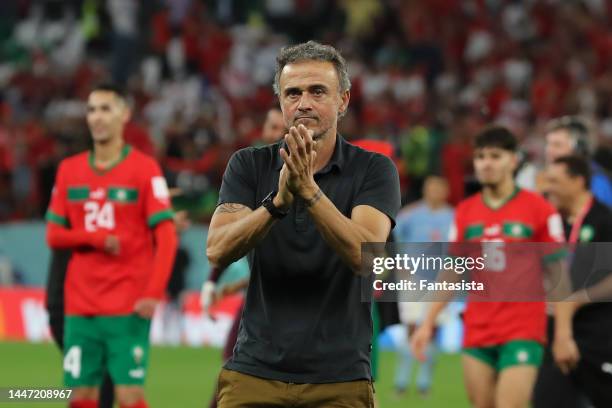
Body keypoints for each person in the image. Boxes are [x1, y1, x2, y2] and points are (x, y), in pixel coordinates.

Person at [206, 41, 401, 407]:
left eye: (317, 91)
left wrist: (309, 193)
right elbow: (217, 248)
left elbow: (369, 259)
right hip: (254, 372)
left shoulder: (373, 170)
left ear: (343, 100)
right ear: (281, 102)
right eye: (292, 93)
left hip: (340, 379)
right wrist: (276, 203)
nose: (304, 103)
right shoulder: (249, 165)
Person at [411, 126, 569, 408]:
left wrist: (563, 333)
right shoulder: (465, 211)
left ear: (514, 160)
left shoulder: (539, 209)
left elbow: (559, 275)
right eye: (481, 156)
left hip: (524, 329)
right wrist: (427, 323)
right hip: (477, 328)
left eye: (495, 156)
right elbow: (452, 272)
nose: (486, 163)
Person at [45, 83, 178, 408]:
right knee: (81, 395)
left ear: (124, 114)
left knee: (129, 395)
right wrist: (94, 238)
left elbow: (167, 237)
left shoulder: (144, 169)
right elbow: (54, 236)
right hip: (80, 305)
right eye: (91, 110)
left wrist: (152, 292)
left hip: (127, 304)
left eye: (106, 108)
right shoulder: (68, 170)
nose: (97, 117)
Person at [533, 155, 612, 408]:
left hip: (599, 334)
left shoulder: (605, 220)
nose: (548, 188)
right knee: (546, 400)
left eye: (555, 181)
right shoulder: (552, 225)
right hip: (553, 333)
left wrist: (579, 299)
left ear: (578, 181)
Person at [393, 175, 454, 396]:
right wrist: (400, 265)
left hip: (441, 282)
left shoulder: (454, 216)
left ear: (446, 191)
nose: (434, 191)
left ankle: (424, 384)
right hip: (414, 280)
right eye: (430, 187)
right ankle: (401, 381)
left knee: (433, 332)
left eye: (439, 188)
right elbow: (391, 239)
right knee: (410, 329)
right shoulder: (410, 215)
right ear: (425, 190)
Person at [544, 116, 612, 207]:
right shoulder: (547, 175)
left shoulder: (597, 182)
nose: (549, 150)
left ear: (579, 148)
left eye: (557, 145)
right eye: (548, 144)